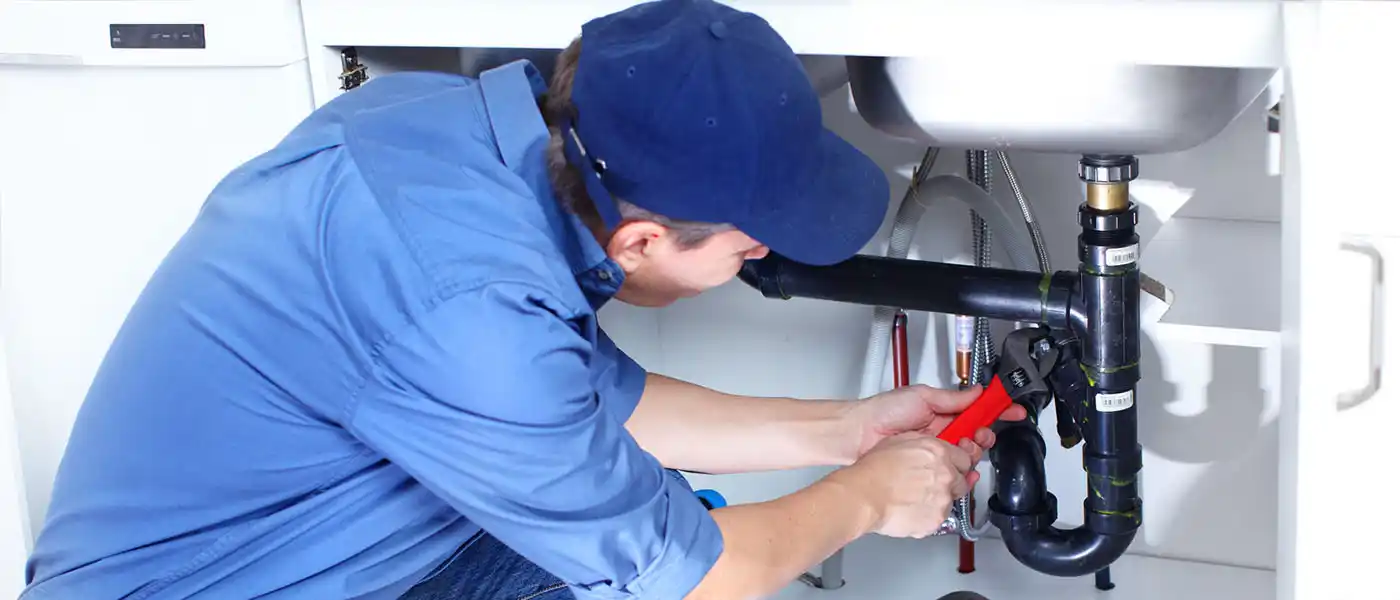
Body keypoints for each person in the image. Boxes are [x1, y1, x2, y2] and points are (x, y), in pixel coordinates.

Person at [22, 1, 1023, 599]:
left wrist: (848, 431)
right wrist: (866, 499)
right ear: (640, 241)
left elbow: (593, 406)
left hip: (329, 559)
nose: (760, 257)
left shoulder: (450, 132)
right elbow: (702, 580)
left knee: (659, 530)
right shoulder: (471, 312)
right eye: (746, 245)